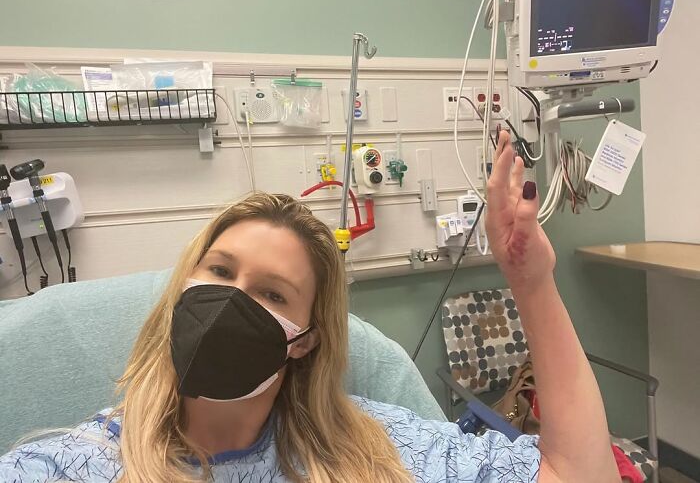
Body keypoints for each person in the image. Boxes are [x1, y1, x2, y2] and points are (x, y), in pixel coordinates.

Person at [0, 132, 620, 482]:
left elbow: (578, 476)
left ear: (303, 339)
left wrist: (533, 283)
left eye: (272, 294)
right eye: (218, 271)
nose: (230, 300)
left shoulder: (376, 449)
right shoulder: (77, 465)